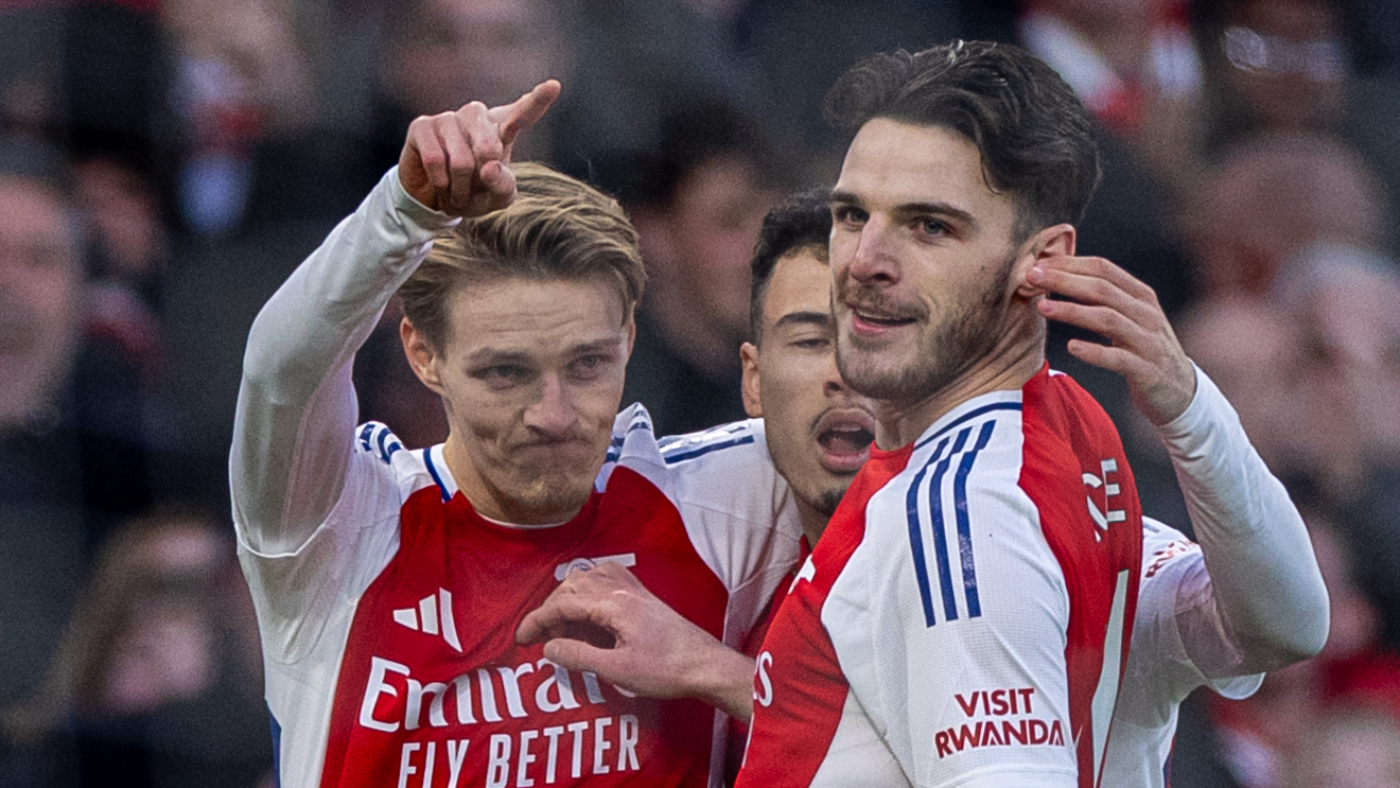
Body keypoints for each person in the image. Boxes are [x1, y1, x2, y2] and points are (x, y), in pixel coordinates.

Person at [520, 191, 1328, 788]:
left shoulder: (1068, 539)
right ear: (755, 383)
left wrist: (718, 672)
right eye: (812, 338)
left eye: (873, 335)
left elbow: (1282, 627)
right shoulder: (686, 521)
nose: (846, 371)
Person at [230, 81, 804, 788]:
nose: (553, 414)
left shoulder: (732, 500)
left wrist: (716, 672)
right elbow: (280, 371)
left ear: (628, 338)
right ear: (422, 354)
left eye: (588, 364)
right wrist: (402, 212)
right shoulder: (341, 531)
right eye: (506, 372)